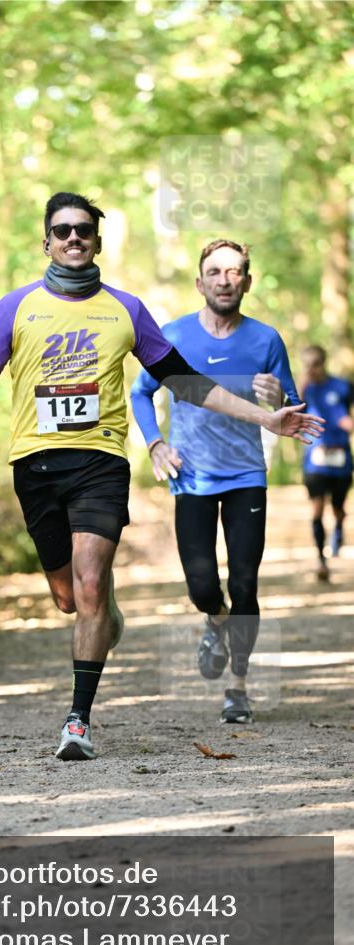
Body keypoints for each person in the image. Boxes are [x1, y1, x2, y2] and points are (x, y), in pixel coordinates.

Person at [0, 198, 323, 759]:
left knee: (90, 584)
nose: (74, 238)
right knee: (70, 598)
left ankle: (78, 721)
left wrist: (268, 417)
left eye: (84, 231)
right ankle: (104, 613)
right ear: (46, 242)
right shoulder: (16, 308)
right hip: (36, 465)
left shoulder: (126, 310)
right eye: (62, 230)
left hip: (101, 463)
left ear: (97, 242)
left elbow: (184, 382)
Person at [131, 239, 315, 724]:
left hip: (246, 475)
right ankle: (214, 620)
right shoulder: (173, 337)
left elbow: (292, 411)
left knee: (247, 581)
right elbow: (140, 393)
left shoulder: (265, 340)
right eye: (215, 271)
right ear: (200, 282)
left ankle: (238, 687)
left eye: (235, 272)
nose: (225, 279)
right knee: (202, 586)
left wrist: (279, 396)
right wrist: (155, 443)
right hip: (191, 476)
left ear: (247, 282)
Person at [301, 345, 353, 581]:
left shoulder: (342, 386)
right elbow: (289, 407)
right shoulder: (304, 388)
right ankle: (321, 560)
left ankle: (340, 527)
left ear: (323, 363)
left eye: (315, 364)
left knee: (338, 508)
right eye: (307, 365)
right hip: (316, 459)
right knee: (317, 508)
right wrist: (302, 385)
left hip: (340, 455)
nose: (311, 369)